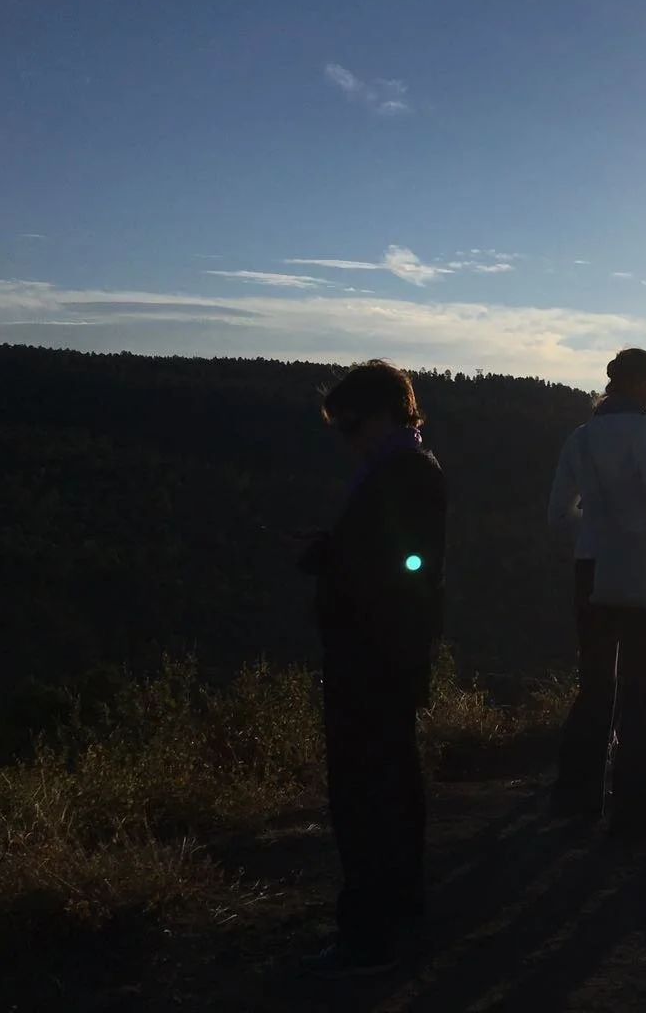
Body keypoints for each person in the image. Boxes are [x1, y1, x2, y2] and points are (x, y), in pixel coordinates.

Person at [292, 360, 446, 978]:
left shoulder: (399, 473)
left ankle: (365, 936)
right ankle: (401, 910)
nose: (345, 439)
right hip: (392, 655)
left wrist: (321, 559)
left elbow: (398, 567)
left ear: (385, 413)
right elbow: (397, 560)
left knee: (361, 795)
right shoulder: (407, 468)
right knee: (394, 785)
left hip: (370, 657)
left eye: (350, 425)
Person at [547, 348, 646, 841]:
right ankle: (633, 810)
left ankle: (576, 796)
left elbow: (557, 514)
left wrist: (598, 533)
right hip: (643, 566)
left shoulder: (580, 438)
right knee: (643, 687)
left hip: (591, 567)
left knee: (595, 682)